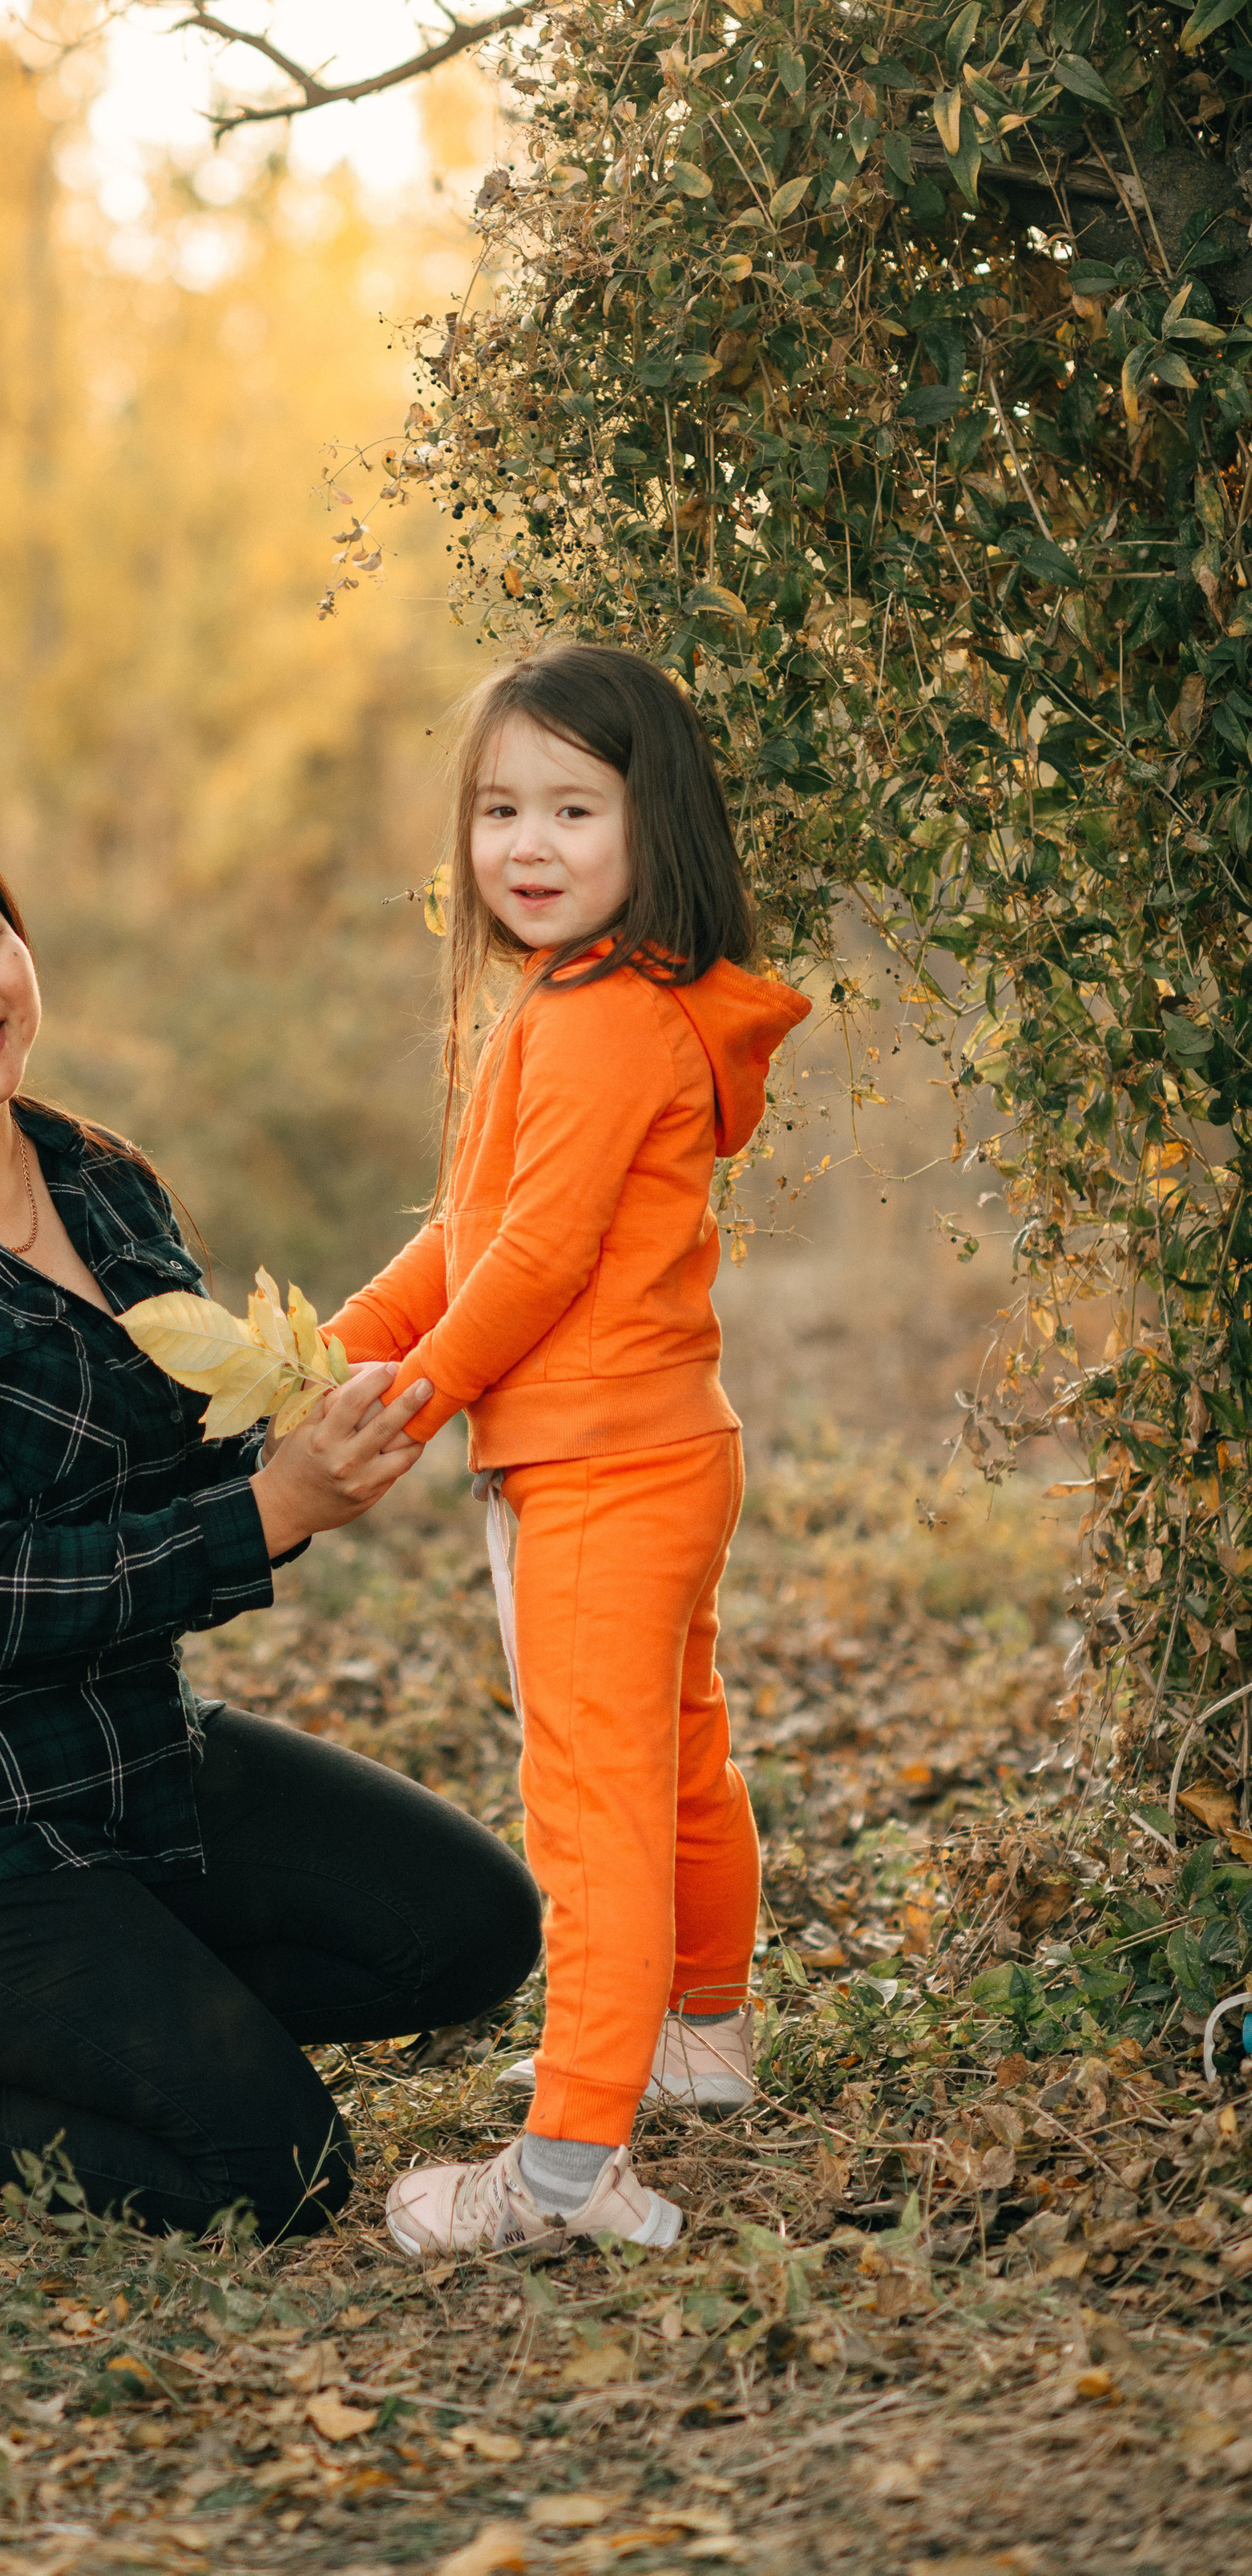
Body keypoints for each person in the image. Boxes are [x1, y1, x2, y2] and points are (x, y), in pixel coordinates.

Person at [0, 801, 542, 2256]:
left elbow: (187, 1479)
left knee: (468, 1932)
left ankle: (102, 2006)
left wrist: (305, 1443)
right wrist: (270, 1509)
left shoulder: (99, 1180)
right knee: (273, 2170)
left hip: (120, 1744)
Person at [323, 644, 810, 2260]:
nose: (524, 847)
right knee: (671, 1767)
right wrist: (323, 1362)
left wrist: (416, 1400)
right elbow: (465, 1239)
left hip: (601, 1471)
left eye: (571, 810)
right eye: (495, 810)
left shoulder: (600, 1027)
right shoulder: (587, 1004)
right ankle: (700, 2039)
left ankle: (560, 2168)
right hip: (657, 1449)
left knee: (588, 1805)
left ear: (649, 824)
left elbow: (525, 1269)